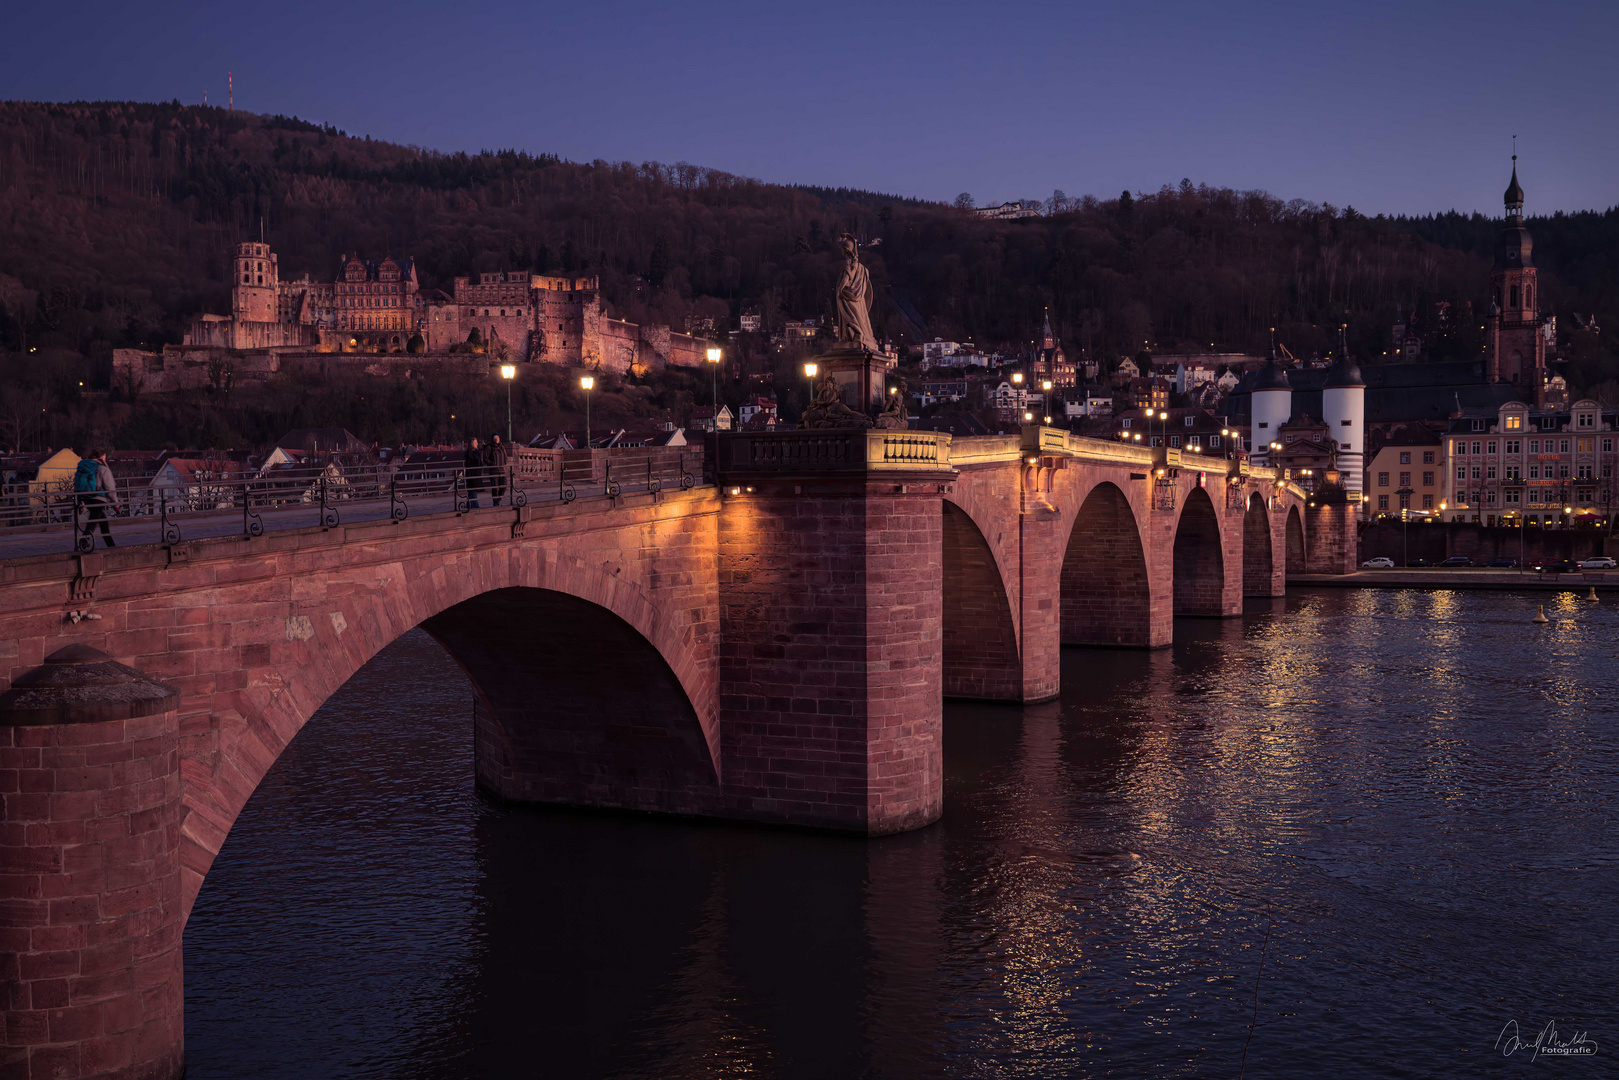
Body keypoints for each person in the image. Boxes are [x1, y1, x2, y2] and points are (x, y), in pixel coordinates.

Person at [75, 448, 117, 547]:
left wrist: (80, 501)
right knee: (93, 520)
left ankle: (111, 545)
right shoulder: (103, 468)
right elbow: (110, 488)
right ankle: (84, 540)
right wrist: (116, 504)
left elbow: (78, 484)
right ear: (102, 457)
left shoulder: (85, 467)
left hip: (86, 497)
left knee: (102, 521)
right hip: (99, 498)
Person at [488, 433, 510, 506]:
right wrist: (492, 463)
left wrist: (505, 462)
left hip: (501, 470)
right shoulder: (489, 447)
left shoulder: (502, 447)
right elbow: (485, 459)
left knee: (504, 485)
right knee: (495, 488)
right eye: (495, 438)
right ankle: (495, 502)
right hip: (493, 471)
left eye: (497, 437)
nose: (496, 439)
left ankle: (498, 499)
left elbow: (505, 457)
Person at [463, 436, 486, 508]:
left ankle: (468, 505)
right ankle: (475, 506)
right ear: (472, 444)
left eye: (477, 442)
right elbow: (469, 464)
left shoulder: (477, 452)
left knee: (472, 491)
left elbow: (479, 462)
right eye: (475, 442)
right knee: (473, 490)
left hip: (476, 474)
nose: (477, 444)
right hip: (472, 474)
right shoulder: (469, 453)